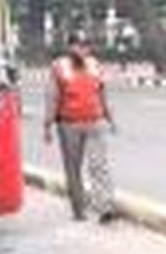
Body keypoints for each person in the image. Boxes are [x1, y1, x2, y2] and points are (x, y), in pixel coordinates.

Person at [44, 31, 118, 223]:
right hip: (69, 125)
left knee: (99, 165)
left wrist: (110, 118)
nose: (83, 49)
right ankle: (79, 210)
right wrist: (47, 125)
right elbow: (52, 97)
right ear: (70, 47)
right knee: (73, 168)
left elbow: (101, 93)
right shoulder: (58, 67)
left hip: (95, 122)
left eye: (86, 45)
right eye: (79, 45)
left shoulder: (94, 65)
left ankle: (105, 207)